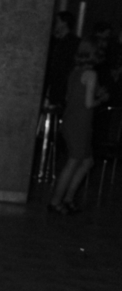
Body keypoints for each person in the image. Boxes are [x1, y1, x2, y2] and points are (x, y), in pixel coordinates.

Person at [50, 39, 109, 213]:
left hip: (72, 120)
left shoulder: (75, 72)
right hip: (80, 122)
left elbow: (70, 97)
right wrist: (101, 100)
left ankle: (67, 199)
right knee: (74, 161)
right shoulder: (91, 74)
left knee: (87, 162)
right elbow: (89, 103)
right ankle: (55, 202)